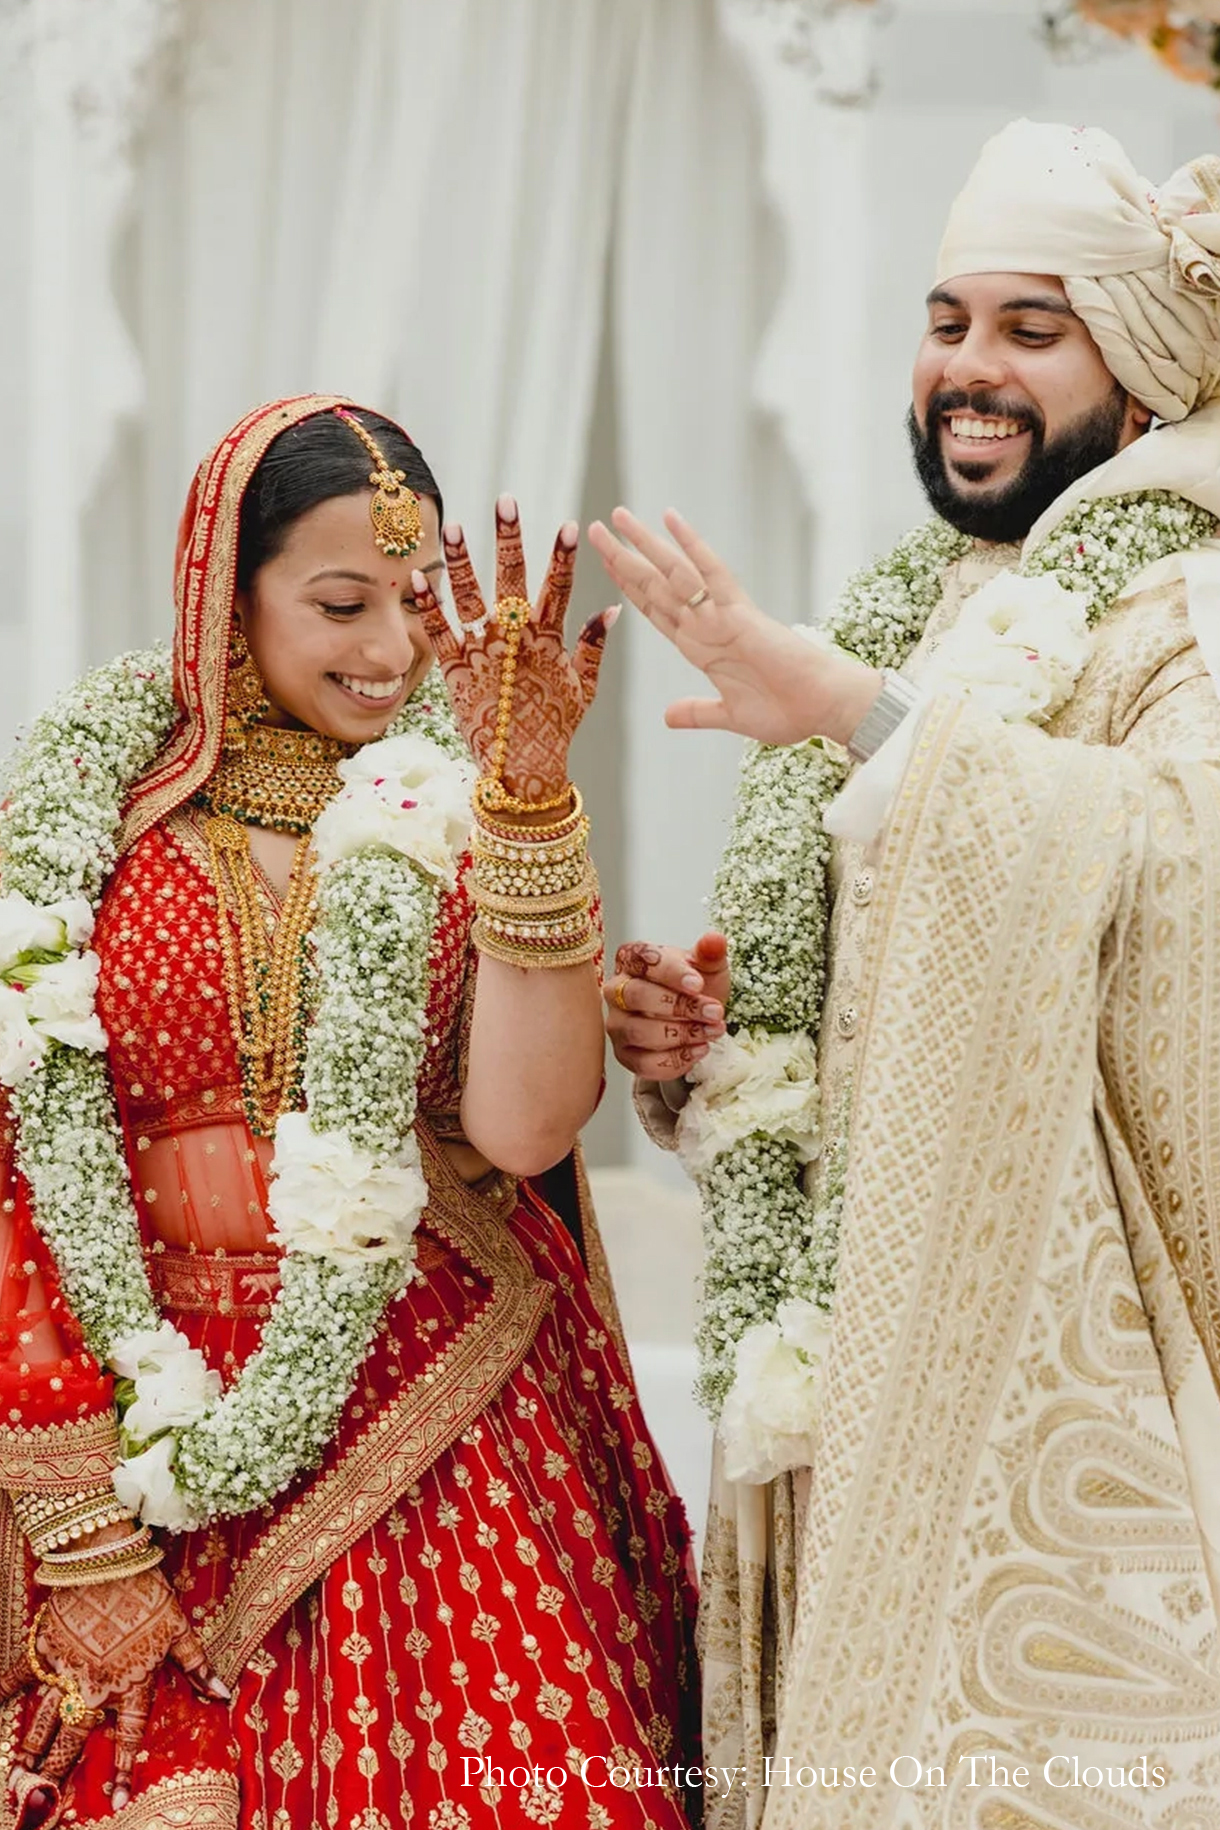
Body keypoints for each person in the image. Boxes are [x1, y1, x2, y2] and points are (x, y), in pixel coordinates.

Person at [593, 121, 1220, 1828]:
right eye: (948, 320)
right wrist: (707, 1055)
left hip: (1065, 1413)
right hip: (860, 1370)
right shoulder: (937, 611)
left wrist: (860, 714)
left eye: (1032, 329)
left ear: (1144, 375)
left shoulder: (1183, 607)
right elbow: (880, 1015)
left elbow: (1179, 882)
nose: (969, 368)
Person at [0, 395, 700, 1830]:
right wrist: (72, 1503)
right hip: (137, 1410)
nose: (389, 651)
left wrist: (525, 801)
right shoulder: (95, 818)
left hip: (438, 1395)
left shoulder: (459, 799)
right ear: (224, 590)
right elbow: (24, 1158)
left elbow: (524, 1129)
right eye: (339, 602)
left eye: (410, 599)